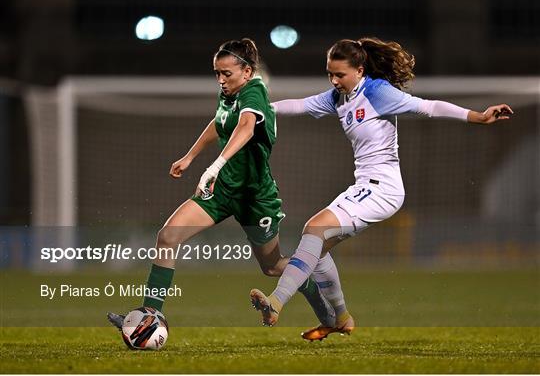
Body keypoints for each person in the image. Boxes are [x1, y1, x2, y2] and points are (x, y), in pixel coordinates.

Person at [250, 37, 513, 341]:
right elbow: (300, 105)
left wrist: (477, 116)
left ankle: (276, 302)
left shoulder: (377, 91)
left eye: (340, 74)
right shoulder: (340, 97)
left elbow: (428, 107)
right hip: (365, 185)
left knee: (314, 229)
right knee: (316, 248)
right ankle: (341, 318)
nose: (334, 81)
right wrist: (259, 111)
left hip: (383, 188)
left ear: (360, 70)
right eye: (329, 74)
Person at [107, 38, 335, 339]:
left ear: (247, 71)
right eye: (217, 73)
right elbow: (220, 122)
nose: (221, 79)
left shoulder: (255, 92)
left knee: (271, 267)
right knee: (168, 236)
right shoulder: (229, 93)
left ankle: (320, 302)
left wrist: (214, 165)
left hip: (255, 197)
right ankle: (151, 316)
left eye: (227, 73)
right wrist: (191, 156)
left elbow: (246, 127)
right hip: (223, 190)